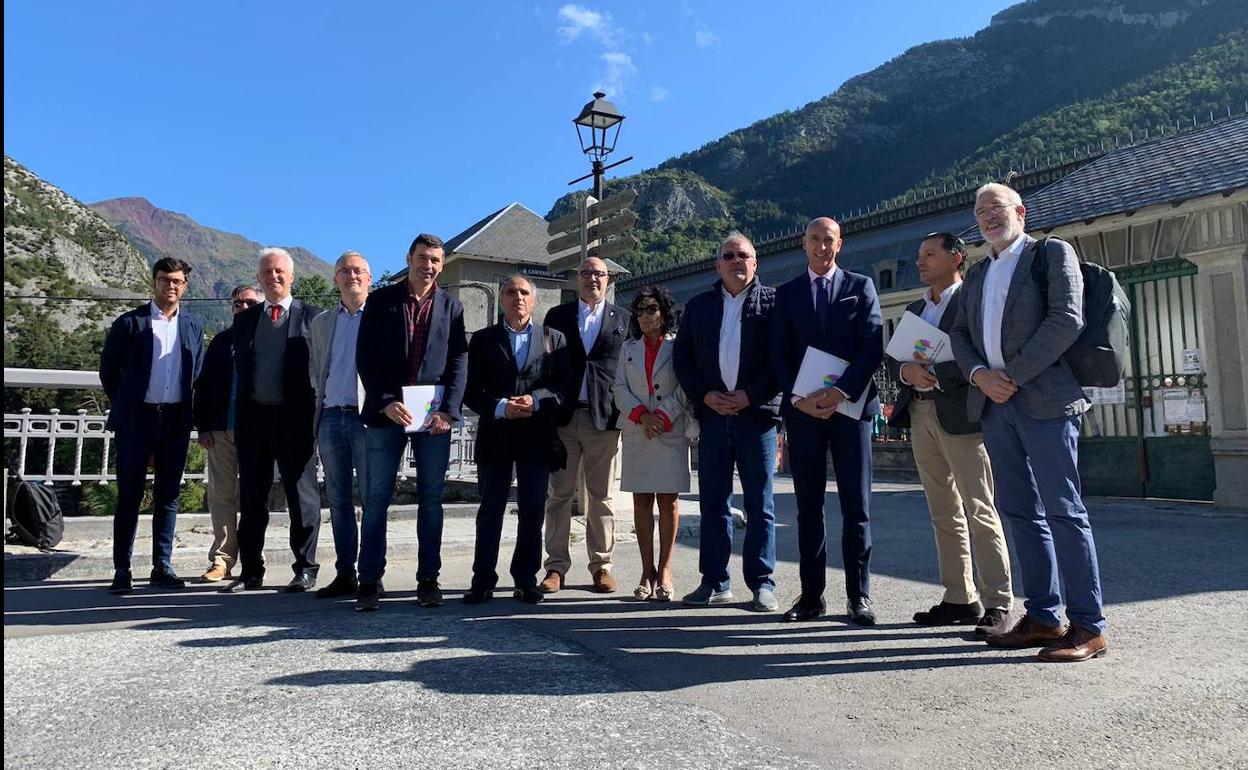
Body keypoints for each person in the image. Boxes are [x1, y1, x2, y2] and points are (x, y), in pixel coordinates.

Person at [950, 183, 1108, 662]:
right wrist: (980, 375)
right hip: (996, 407)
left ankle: (1088, 625)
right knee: (1019, 512)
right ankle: (1043, 615)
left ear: (1019, 211)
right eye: (980, 212)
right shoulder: (978, 273)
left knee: (1064, 511)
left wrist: (1010, 377)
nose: (988, 217)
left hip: (1044, 401)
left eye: (995, 208)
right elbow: (958, 333)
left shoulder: (1051, 254)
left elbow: (1066, 320)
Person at [886, 233, 1012, 636]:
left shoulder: (972, 301)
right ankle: (959, 596)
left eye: (929, 255)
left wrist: (937, 374)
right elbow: (893, 359)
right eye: (919, 254)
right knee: (943, 510)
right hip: (921, 413)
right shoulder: (916, 307)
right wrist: (905, 372)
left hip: (962, 418)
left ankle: (999, 601)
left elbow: (984, 356)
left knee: (979, 508)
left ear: (956, 257)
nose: (920, 262)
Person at [771, 217, 884, 626]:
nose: (822, 247)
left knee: (857, 506)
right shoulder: (786, 294)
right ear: (804, 243)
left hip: (851, 410)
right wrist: (798, 399)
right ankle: (811, 596)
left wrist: (840, 392)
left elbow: (873, 345)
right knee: (808, 507)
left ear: (840, 245)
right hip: (804, 414)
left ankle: (860, 596)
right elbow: (777, 354)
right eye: (815, 240)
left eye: (829, 241)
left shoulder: (861, 286)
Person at [354, 234, 468, 612]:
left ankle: (428, 580)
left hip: (432, 419)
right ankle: (369, 580)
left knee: (431, 501)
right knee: (375, 499)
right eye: (422, 258)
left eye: (436, 260)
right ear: (409, 258)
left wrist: (448, 411)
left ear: (442, 264)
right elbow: (365, 357)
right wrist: (385, 401)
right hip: (387, 415)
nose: (429, 266)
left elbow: (458, 362)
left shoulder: (451, 306)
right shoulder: (382, 300)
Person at [673, 232, 783, 612]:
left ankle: (762, 582)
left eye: (744, 255)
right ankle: (715, 581)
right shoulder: (699, 306)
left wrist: (750, 394)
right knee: (713, 503)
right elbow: (683, 360)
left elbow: (782, 360)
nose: (737, 261)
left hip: (758, 417)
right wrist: (705, 395)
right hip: (714, 418)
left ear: (755, 263)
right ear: (717, 264)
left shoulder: (773, 303)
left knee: (760, 504)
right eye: (729, 256)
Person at [462, 276, 573, 605]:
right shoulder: (483, 340)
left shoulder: (554, 338)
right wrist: (500, 407)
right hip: (495, 435)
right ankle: (483, 579)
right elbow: (471, 391)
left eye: (524, 293)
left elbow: (564, 388)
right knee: (490, 509)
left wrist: (536, 401)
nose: (518, 298)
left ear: (534, 300)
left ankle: (525, 579)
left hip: (536, 436)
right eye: (511, 292)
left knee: (532, 510)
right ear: (501, 300)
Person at [222, 247, 325, 594]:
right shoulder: (246, 320)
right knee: (251, 499)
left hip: (296, 420)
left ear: (291, 276)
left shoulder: (313, 317)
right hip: (254, 420)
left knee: (302, 497)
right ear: (259, 278)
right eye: (267, 272)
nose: (273, 277)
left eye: (279, 271)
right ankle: (251, 570)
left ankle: (306, 568)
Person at [99, 257, 205, 594]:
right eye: (164, 280)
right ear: (154, 282)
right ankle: (122, 569)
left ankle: (163, 565)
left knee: (168, 496)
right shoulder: (130, 324)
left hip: (175, 420)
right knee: (129, 495)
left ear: (184, 286)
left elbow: (197, 373)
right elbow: (108, 371)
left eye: (176, 281)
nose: (170, 286)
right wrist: (128, 403)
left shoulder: (192, 326)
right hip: (136, 419)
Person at [540, 257, 630, 595]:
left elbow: (627, 367)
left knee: (601, 496)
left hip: (604, 418)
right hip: (563, 418)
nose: (593, 278)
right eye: (587, 273)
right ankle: (555, 568)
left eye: (599, 273)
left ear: (608, 279)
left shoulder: (622, 319)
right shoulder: (557, 317)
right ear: (577, 279)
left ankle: (602, 566)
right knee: (559, 494)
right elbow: (545, 363)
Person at [614, 285, 695, 602]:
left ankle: (665, 570)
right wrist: (641, 416)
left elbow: (687, 382)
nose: (645, 316)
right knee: (641, 502)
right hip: (638, 430)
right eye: (640, 310)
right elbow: (618, 387)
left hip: (670, 428)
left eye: (652, 309)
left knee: (668, 502)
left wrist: (663, 414)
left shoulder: (679, 346)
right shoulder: (628, 348)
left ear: (664, 312)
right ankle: (645, 571)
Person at [308, 251, 371, 601]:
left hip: (366, 418)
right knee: (338, 501)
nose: (352, 275)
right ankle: (346, 572)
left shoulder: (381, 318)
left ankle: (371, 573)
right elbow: (316, 368)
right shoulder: (321, 323)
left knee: (372, 499)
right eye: (345, 270)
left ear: (369, 278)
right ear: (335, 279)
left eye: (359, 270)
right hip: (331, 417)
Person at [192, 284, 261, 583]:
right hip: (220, 430)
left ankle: (252, 560)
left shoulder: (268, 340)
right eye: (237, 304)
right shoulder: (221, 342)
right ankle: (221, 560)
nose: (243, 308)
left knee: (253, 497)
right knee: (221, 495)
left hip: (255, 430)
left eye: (249, 303)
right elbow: (203, 385)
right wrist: (203, 425)